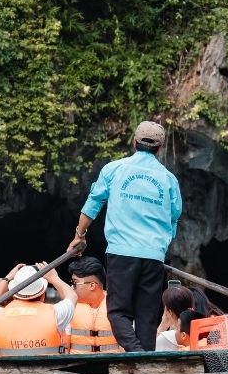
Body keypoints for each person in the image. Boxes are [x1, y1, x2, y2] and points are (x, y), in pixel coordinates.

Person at [70, 121, 182, 352]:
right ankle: (144, 360)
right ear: (160, 148)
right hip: (153, 255)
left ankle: (137, 354)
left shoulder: (114, 169)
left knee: (118, 311)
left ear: (134, 142)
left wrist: (80, 235)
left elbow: (93, 204)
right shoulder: (169, 179)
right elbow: (174, 217)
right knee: (147, 316)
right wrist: (160, 246)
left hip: (122, 251)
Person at [0, 262, 77, 355]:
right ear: (42, 294)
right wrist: (54, 278)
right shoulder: (56, 314)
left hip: (7, 369)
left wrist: (8, 277)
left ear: (14, 294)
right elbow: (72, 296)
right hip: (49, 369)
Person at [65, 257, 122, 353]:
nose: (71, 287)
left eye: (75, 283)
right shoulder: (69, 306)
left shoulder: (118, 305)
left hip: (111, 365)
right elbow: (64, 347)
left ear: (92, 285)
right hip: (77, 365)